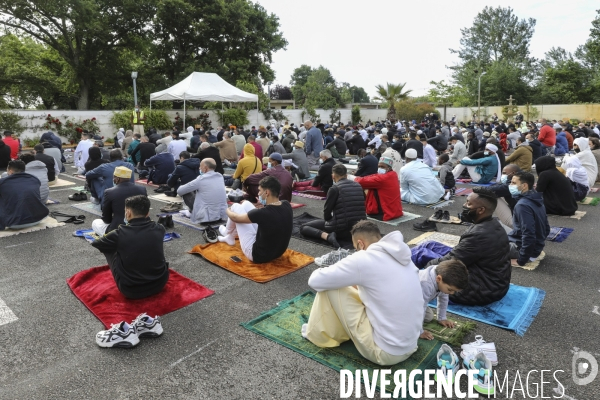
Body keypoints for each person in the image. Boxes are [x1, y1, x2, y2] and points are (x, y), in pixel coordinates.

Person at [303, 220, 423, 366]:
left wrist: (344, 277)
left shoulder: (364, 258)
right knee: (355, 288)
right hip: (410, 345)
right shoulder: (404, 257)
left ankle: (317, 335)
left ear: (361, 244)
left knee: (333, 288)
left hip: (385, 353)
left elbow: (315, 281)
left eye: (356, 248)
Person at [427, 187, 511, 306]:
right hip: (495, 285)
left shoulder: (478, 235)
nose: (464, 206)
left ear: (481, 210)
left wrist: (425, 270)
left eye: (469, 203)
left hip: (481, 292)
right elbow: (461, 253)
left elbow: (450, 261)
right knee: (430, 245)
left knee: (424, 258)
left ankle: (406, 270)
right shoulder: (493, 224)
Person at [91, 195, 169, 299]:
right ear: (147, 213)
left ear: (128, 213)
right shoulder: (160, 228)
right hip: (160, 283)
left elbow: (97, 243)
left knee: (109, 248)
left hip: (131, 290)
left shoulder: (118, 234)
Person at [217, 176, 293, 263]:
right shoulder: (286, 204)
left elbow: (235, 218)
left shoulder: (263, 213)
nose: (259, 194)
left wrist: (227, 210)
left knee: (235, 206)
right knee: (245, 204)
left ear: (267, 192)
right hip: (278, 252)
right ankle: (229, 236)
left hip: (257, 255)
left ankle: (227, 233)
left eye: (260, 191)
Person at [300, 164, 366, 248]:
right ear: (346, 175)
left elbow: (326, 213)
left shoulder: (334, 188)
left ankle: (328, 237)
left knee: (304, 227)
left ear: (333, 176)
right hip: (360, 227)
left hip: (341, 230)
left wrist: (330, 221)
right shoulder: (358, 185)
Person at [507, 171, 550, 267]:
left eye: (514, 183)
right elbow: (546, 227)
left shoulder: (522, 205)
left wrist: (521, 260)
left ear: (524, 186)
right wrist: (539, 245)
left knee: (483, 243)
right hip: (535, 249)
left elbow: (529, 233)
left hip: (522, 250)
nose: (510, 185)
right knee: (497, 229)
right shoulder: (536, 198)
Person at [419, 260, 469, 340]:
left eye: (454, 291)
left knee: (428, 317)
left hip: (415, 303)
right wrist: (419, 331)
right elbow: (420, 309)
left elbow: (444, 299)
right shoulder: (425, 284)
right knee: (409, 324)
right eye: (450, 290)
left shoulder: (442, 277)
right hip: (400, 303)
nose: (452, 293)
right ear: (439, 279)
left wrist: (442, 318)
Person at [91, 166, 147, 236]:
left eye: (114, 177)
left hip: (118, 231)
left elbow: (106, 219)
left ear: (117, 179)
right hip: (140, 228)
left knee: (96, 222)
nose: (113, 179)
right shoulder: (142, 189)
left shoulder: (109, 192)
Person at [0, 160, 49, 230]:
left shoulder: (3, 182)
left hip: (14, 223)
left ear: (10, 171)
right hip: (39, 218)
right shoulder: (34, 179)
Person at [177, 158, 228, 223]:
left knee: (187, 192)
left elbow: (179, 191)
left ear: (205, 168)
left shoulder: (201, 179)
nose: (199, 168)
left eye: (200, 166)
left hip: (206, 216)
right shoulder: (220, 176)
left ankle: (191, 212)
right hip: (222, 215)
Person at [354, 156, 402, 221]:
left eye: (382, 167)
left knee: (362, 186)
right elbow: (374, 176)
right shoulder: (393, 174)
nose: (380, 168)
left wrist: (354, 178)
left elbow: (360, 182)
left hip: (386, 214)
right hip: (396, 211)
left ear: (389, 168)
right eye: (379, 166)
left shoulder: (383, 179)